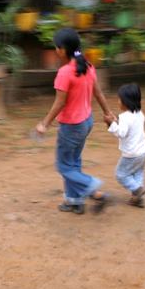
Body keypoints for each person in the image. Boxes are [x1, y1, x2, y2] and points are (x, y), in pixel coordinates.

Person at [36, 28, 115, 214]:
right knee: (73, 163)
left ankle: (92, 186)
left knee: (63, 166)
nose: (55, 51)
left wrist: (44, 123)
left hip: (72, 126)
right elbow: (98, 92)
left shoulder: (65, 72)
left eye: (56, 47)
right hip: (86, 122)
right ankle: (74, 201)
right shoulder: (87, 65)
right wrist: (107, 113)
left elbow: (59, 103)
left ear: (63, 50)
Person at [104, 83, 145, 208]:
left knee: (121, 175)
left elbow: (121, 133)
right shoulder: (140, 114)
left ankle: (137, 190)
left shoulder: (124, 117)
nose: (118, 101)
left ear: (126, 102)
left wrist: (110, 124)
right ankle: (137, 198)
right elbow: (130, 128)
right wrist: (116, 121)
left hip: (131, 154)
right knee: (137, 172)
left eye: (119, 99)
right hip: (143, 152)